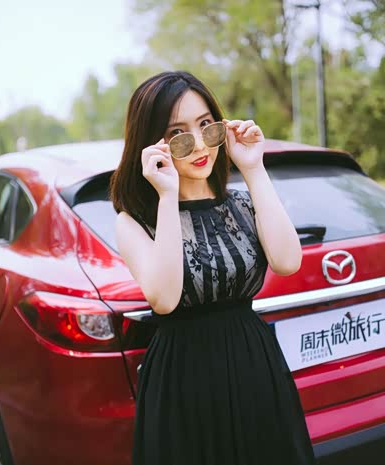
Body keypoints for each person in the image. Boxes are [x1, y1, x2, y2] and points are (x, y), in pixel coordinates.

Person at [110, 71, 315, 465]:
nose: (200, 144)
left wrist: (253, 168)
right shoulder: (134, 221)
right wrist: (167, 195)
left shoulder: (241, 203)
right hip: (184, 381)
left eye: (207, 125)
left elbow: (288, 261)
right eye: (178, 134)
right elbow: (165, 299)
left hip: (254, 364)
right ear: (151, 144)